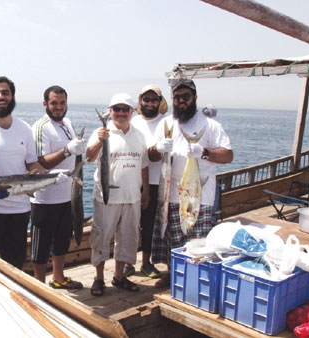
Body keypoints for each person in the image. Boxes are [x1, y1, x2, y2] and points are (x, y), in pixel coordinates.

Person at [150, 79, 233, 288]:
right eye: (177, 97)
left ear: (194, 98)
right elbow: (151, 156)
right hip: (171, 193)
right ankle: (172, 273)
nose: (181, 101)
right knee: (171, 237)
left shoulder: (210, 125)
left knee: (198, 240)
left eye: (185, 96)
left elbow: (228, 156)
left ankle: (196, 278)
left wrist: (203, 152)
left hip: (199, 195)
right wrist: (157, 148)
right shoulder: (165, 124)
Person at [0, 76, 50, 269]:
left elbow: (32, 166)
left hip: (20, 209)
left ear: (13, 96)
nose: (0, 96)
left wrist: (55, 176)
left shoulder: (24, 129)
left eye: (5, 92)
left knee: (15, 263)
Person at [85, 93, 149, 296]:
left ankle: (119, 276)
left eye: (125, 109)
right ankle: (99, 277)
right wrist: (99, 141)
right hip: (106, 197)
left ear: (132, 112)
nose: (121, 113)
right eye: (116, 109)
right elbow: (88, 157)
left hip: (132, 197)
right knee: (101, 237)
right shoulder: (101, 131)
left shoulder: (139, 135)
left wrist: (145, 190)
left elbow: (144, 166)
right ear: (110, 111)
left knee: (128, 238)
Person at [30, 85, 86, 289]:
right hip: (45, 197)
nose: (58, 107)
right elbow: (41, 162)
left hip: (67, 195)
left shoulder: (68, 123)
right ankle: (39, 286)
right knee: (41, 245)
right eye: (54, 103)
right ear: (45, 103)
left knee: (63, 240)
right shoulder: (40, 126)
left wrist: (79, 149)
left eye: (62, 103)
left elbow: (74, 153)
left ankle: (59, 278)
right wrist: (67, 151)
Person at [123, 85, 168, 279]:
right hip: (132, 180)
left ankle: (146, 262)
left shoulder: (167, 123)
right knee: (128, 224)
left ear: (160, 102)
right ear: (140, 101)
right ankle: (126, 262)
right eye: (146, 99)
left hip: (159, 181)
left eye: (154, 100)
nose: (150, 103)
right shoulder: (131, 121)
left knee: (149, 224)